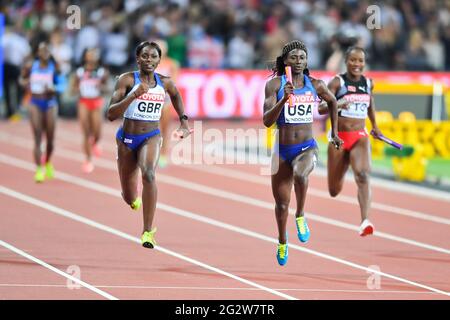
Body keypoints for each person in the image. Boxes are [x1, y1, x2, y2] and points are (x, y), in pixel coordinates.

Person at [263, 40, 342, 266]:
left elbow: (333, 102)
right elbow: (267, 121)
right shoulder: (275, 86)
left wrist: (333, 133)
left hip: (307, 146)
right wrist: (283, 101)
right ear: (285, 61)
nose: (299, 62)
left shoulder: (315, 84)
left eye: (303, 58)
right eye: (294, 58)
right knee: (280, 205)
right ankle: (282, 241)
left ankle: (300, 214)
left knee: (300, 174)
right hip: (282, 150)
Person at [107, 41, 191, 248]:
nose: (149, 60)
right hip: (127, 139)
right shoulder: (126, 80)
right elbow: (110, 114)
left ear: (159, 60)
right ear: (137, 59)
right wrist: (134, 95)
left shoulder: (166, 83)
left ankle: (147, 231)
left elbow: (177, 96)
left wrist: (184, 122)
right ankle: (131, 197)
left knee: (149, 174)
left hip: (151, 136)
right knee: (129, 196)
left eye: (153, 57)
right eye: (145, 56)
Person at [318, 46, 382, 237]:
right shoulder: (337, 82)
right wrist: (338, 104)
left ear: (364, 63)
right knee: (334, 190)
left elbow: (370, 105)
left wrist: (375, 126)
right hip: (338, 138)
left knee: (363, 175)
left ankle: (365, 221)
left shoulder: (368, 83)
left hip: (359, 136)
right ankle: (345, 162)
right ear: (346, 61)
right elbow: (321, 108)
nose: (357, 64)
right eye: (353, 60)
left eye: (360, 61)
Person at [19, 41, 60, 183]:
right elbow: (21, 79)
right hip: (35, 102)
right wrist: (25, 83)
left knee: (50, 138)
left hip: (50, 103)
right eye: (42, 50)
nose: (44, 53)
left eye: (47, 50)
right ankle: (39, 169)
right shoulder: (31, 66)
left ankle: (47, 161)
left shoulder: (54, 67)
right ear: (38, 53)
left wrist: (54, 88)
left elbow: (62, 83)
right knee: (37, 136)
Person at [72, 48, 109, 173]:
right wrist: (77, 89)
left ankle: (96, 142)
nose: (92, 57)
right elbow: (72, 89)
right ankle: (88, 159)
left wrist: (101, 87)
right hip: (84, 102)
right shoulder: (80, 72)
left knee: (97, 131)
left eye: (94, 54)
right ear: (85, 57)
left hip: (97, 101)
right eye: (89, 54)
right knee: (86, 132)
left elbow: (108, 88)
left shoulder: (102, 72)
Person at [152, 39, 180, 168]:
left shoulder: (172, 63)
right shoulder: (150, 63)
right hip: (151, 99)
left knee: (164, 128)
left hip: (165, 100)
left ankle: (163, 154)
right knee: (150, 128)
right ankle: (151, 153)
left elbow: (173, 82)